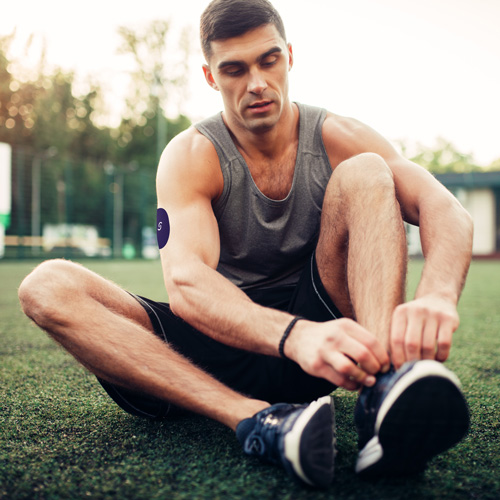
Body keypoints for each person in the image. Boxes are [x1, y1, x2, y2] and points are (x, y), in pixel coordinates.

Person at [18, 0, 473, 488]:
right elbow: (188, 285)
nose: (256, 82)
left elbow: (443, 207)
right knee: (47, 285)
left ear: (290, 56)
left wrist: (437, 296)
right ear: (211, 77)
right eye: (234, 69)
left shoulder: (341, 136)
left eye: (268, 60)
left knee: (367, 170)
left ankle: (381, 389)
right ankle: (258, 421)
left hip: (323, 337)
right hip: (213, 355)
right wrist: (295, 336)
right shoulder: (192, 155)